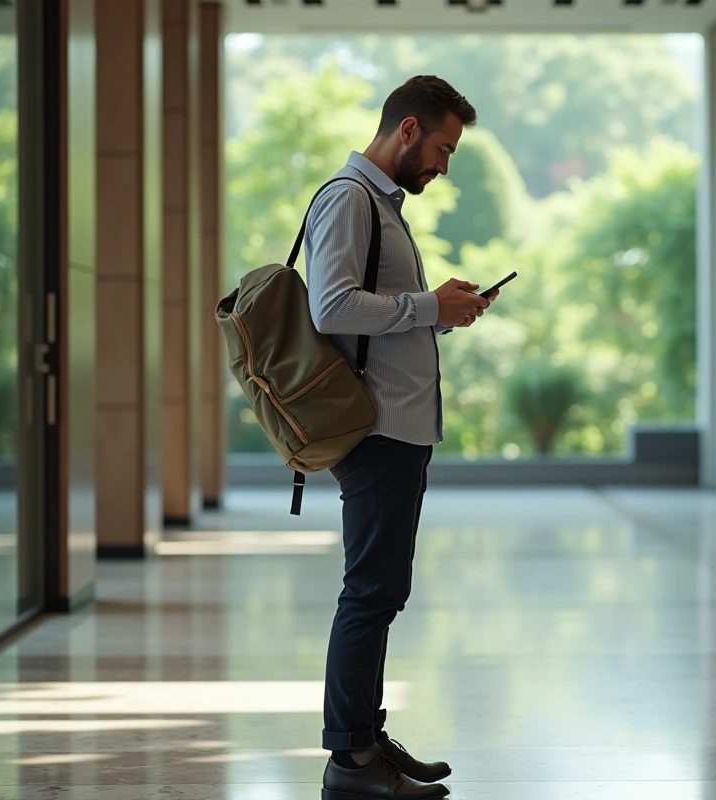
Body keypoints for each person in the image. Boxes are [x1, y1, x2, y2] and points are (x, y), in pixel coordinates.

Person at [305, 75, 494, 800]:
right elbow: (331, 307)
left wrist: (442, 311)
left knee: (382, 592)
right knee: (369, 593)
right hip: (376, 428)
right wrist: (426, 306)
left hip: (399, 427)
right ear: (407, 130)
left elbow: (380, 315)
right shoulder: (350, 199)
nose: (444, 166)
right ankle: (351, 761)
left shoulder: (380, 205)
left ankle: (366, 738)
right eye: (443, 149)